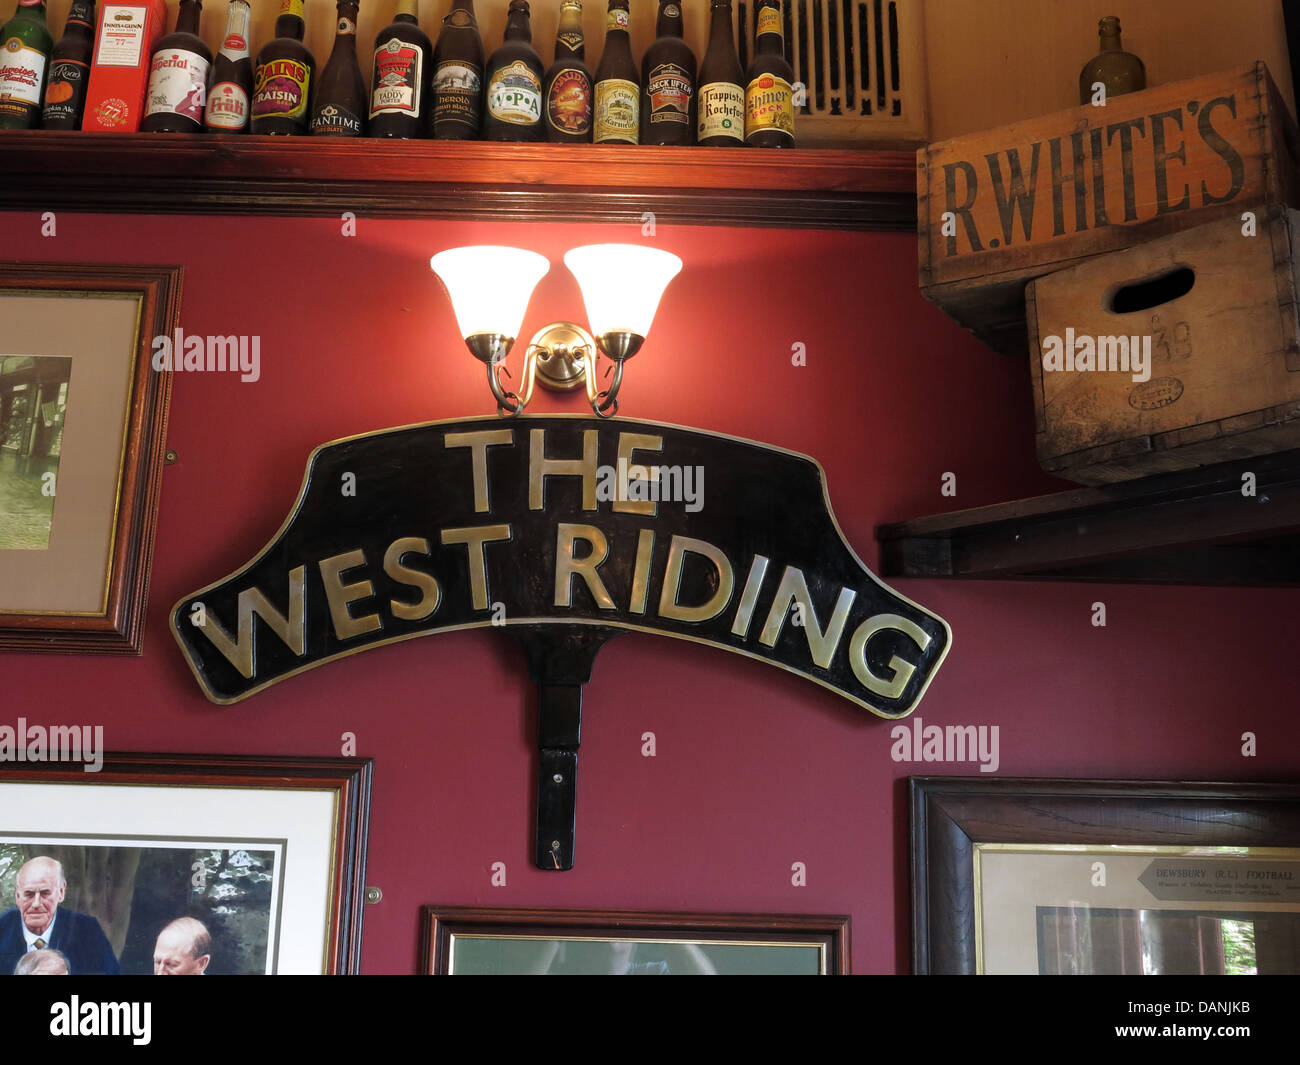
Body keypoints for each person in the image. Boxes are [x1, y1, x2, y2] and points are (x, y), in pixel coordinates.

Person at [0, 856, 119, 976]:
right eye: (29, 894)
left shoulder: (87, 930)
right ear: (18, 897)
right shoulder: (2, 929)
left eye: (45, 893)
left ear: (61, 893)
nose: (36, 903)